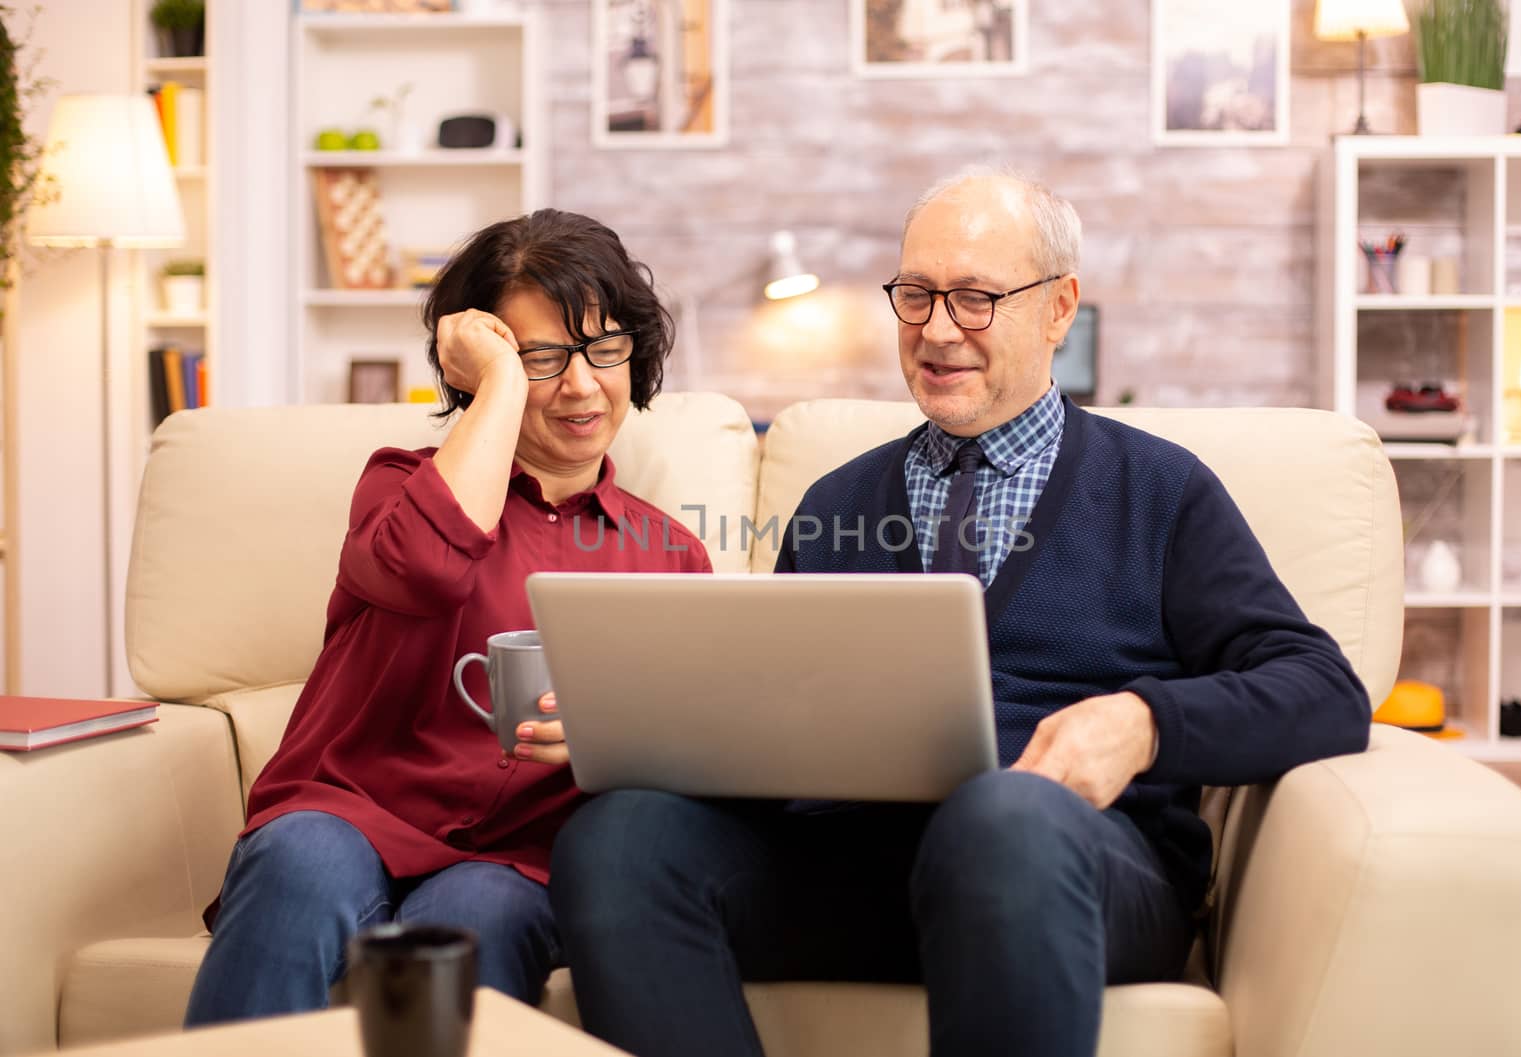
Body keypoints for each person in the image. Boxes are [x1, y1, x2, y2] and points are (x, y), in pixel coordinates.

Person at [548, 167, 1371, 1057]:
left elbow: (1324, 689)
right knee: (616, 838)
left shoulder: (1160, 492)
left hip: (1065, 865)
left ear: (1059, 308)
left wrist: (1143, 724)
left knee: (1000, 816)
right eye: (916, 296)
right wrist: (656, 728)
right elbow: (773, 738)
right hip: (855, 866)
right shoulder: (836, 503)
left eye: (976, 298)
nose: (938, 331)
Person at [184, 209, 711, 1026]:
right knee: (296, 863)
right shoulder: (397, 486)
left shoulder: (667, 553)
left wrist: (614, 734)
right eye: (540, 357)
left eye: (604, 348)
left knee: (477, 917)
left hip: (516, 857)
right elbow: (425, 567)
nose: (581, 385)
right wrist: (498, 388)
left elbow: (686, 750)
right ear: (479, 372)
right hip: (349, 806)